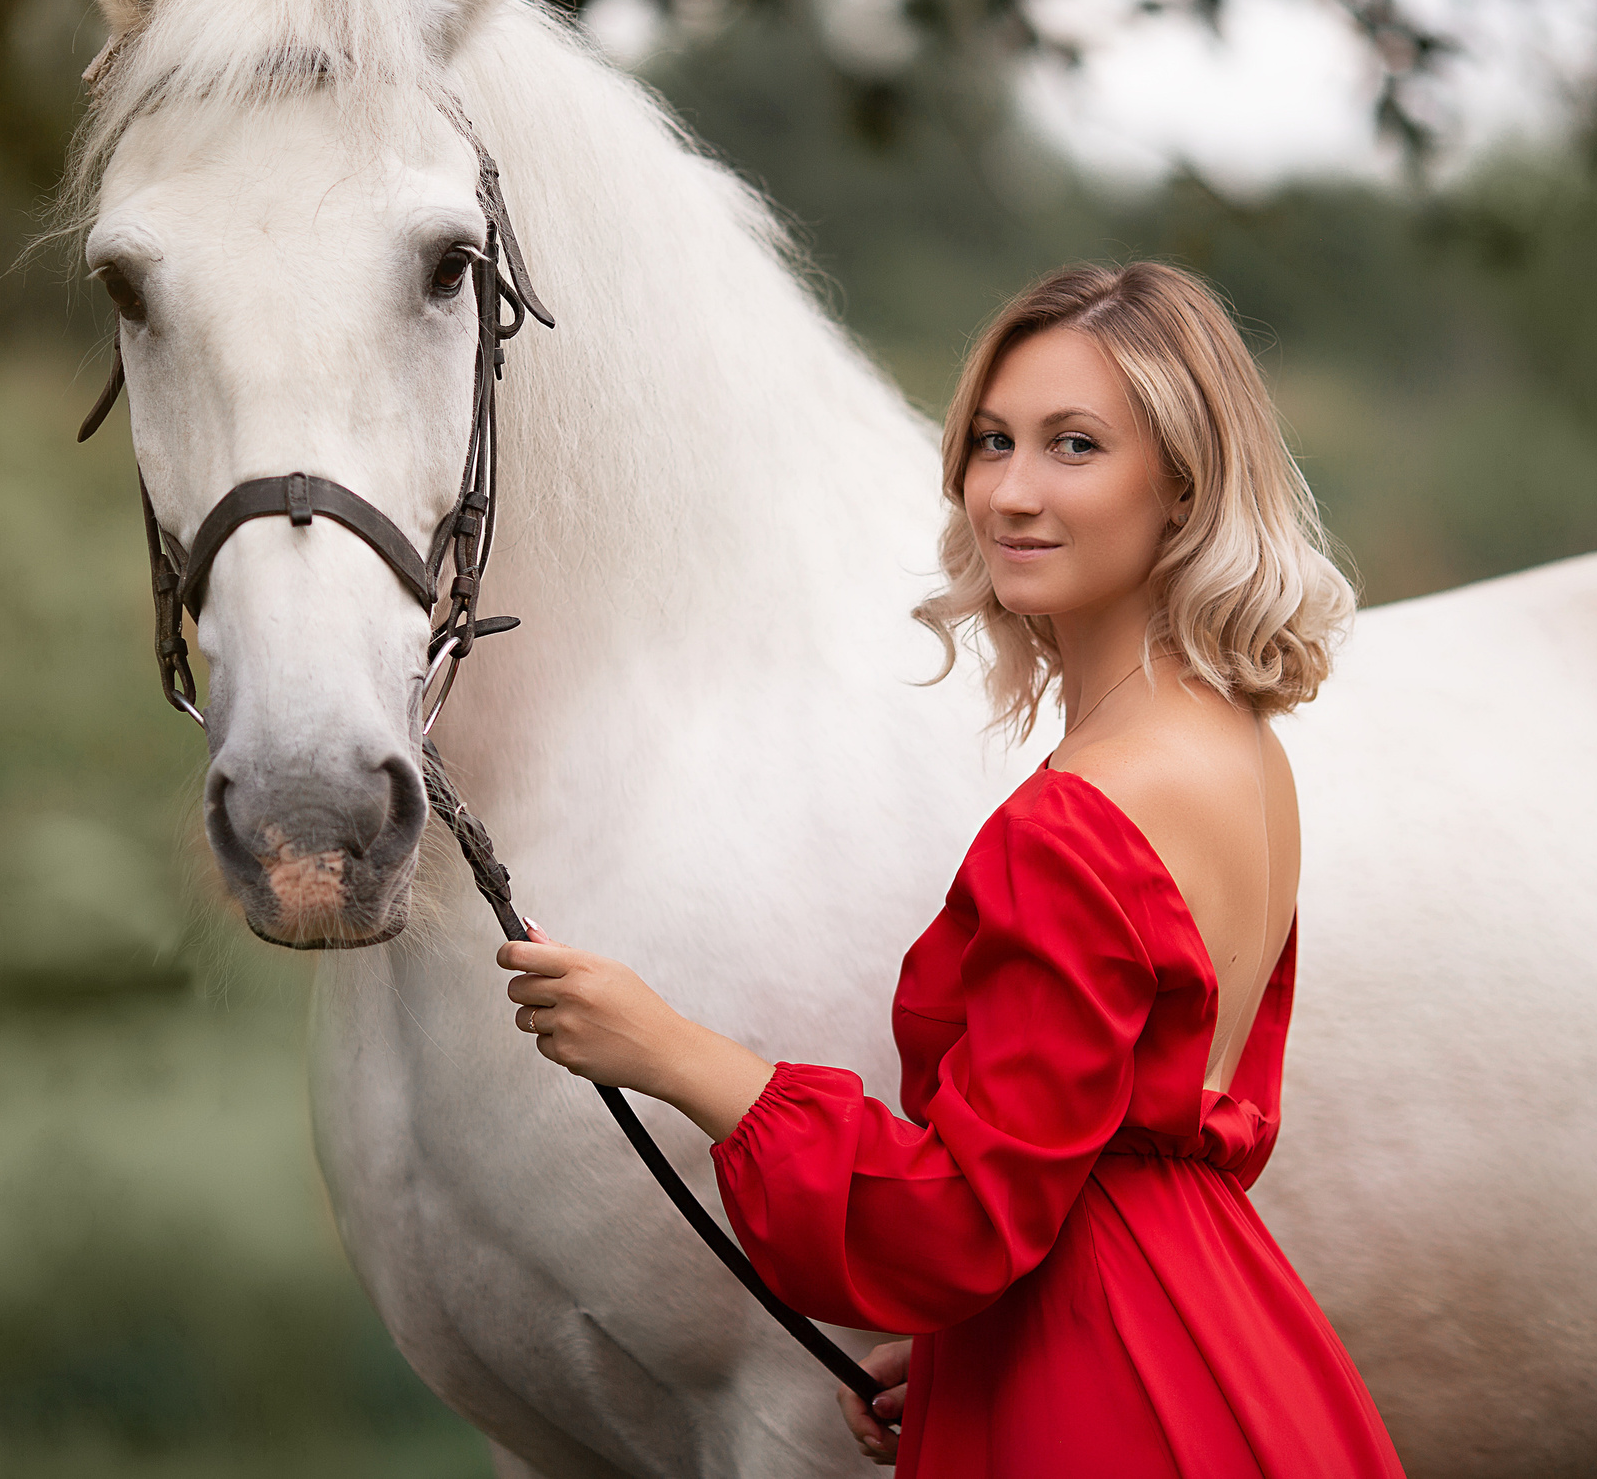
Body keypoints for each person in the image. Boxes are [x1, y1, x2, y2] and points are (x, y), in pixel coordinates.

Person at [495, 261, 1404, 1476]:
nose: (1011, 493)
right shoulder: (1234, 746)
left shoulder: (1081, 817)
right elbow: (1131, 1143)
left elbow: (957, 1215)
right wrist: (990, 1335)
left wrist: (671, 1053)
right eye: (990, 442)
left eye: (1073, 445)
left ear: (1181, 485)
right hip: (1218, 1336)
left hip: (1106, 1408)